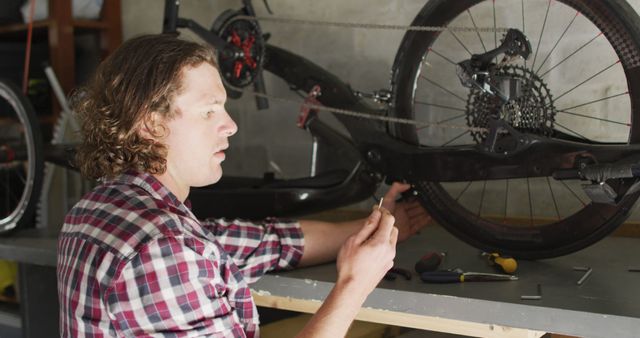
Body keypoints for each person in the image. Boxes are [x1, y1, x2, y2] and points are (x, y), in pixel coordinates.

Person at [57, 34, 430, 337]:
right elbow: (182, 253)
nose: (230, 126)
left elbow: (260, 243)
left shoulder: (96, 209)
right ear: (152, 124)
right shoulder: (164, 250)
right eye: (208, 111)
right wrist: (354, 284)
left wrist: (372, 229)